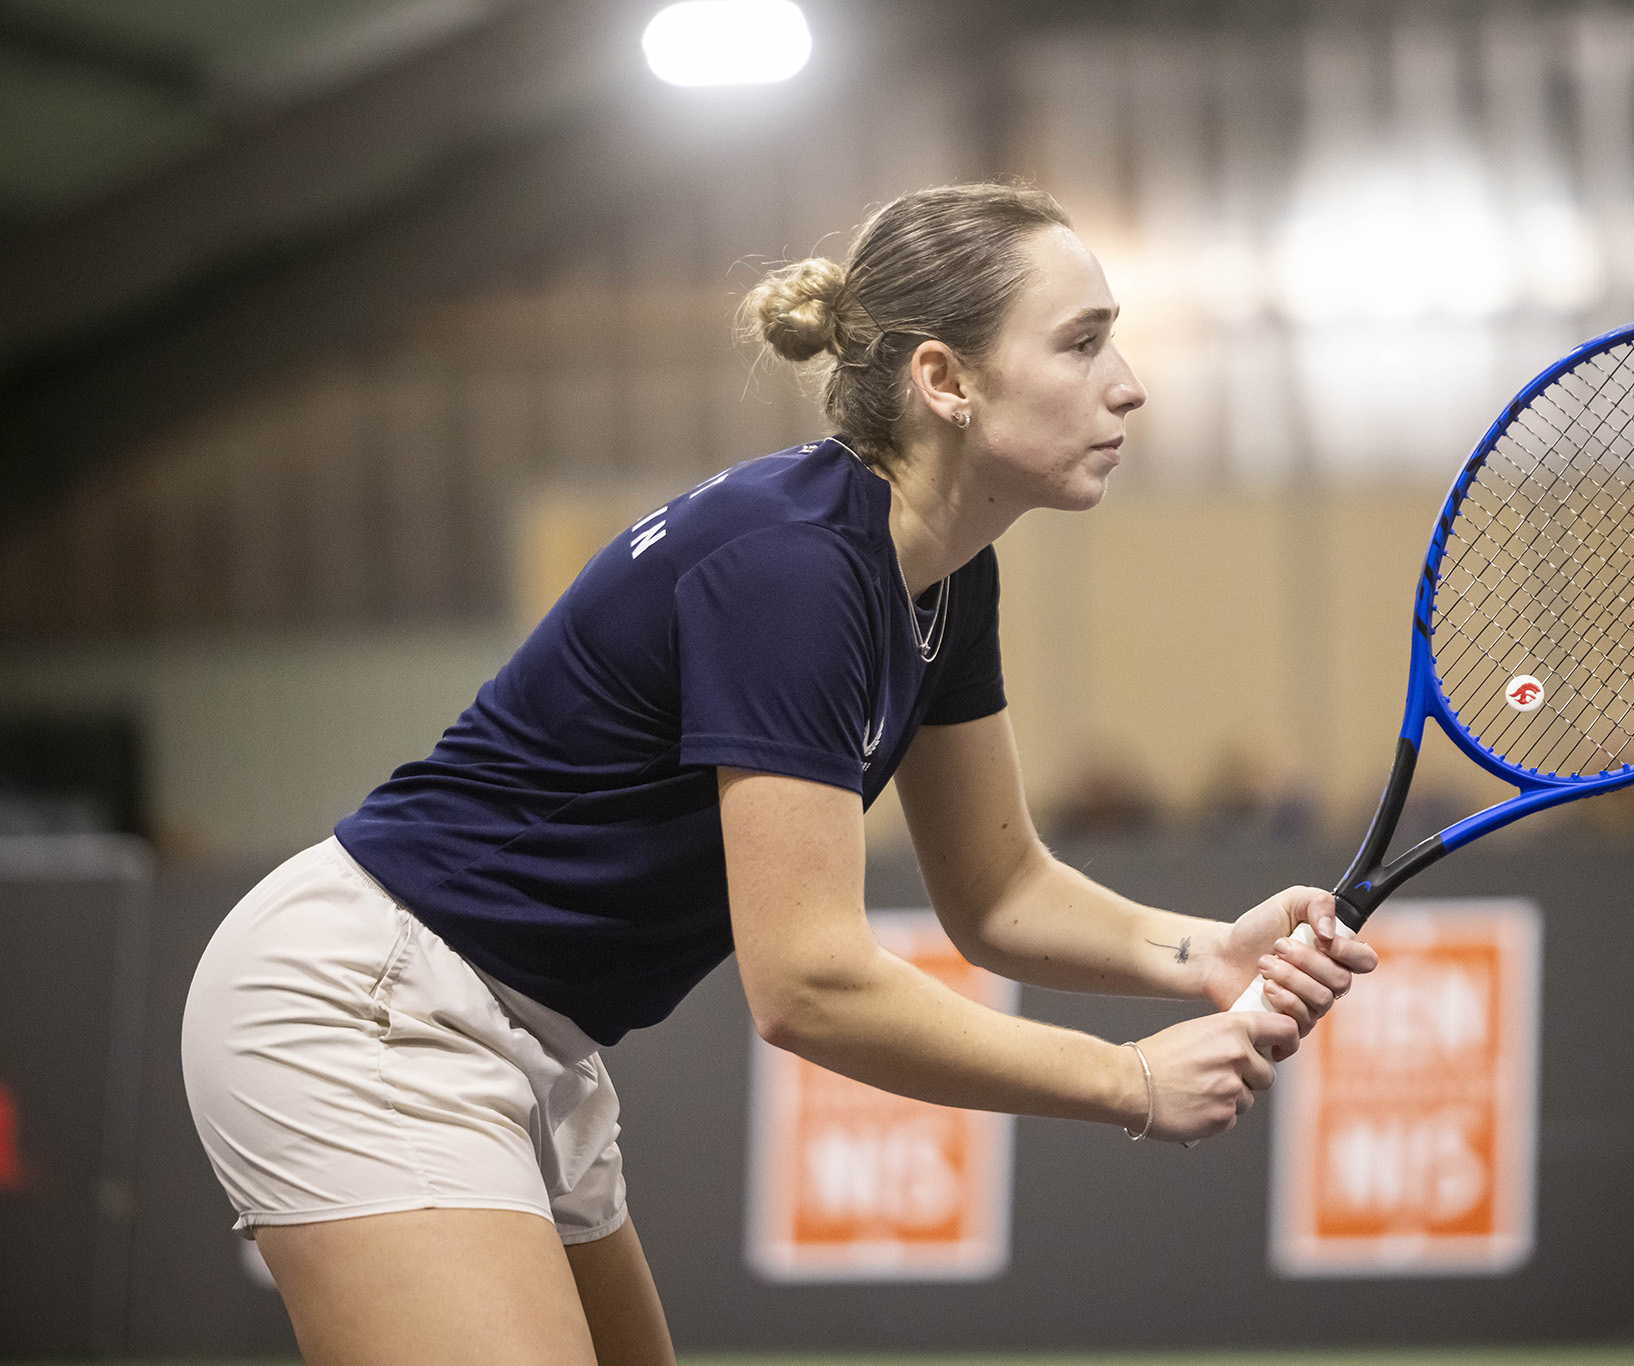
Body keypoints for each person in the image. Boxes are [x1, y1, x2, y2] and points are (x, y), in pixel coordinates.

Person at [181, 183, 1376, 1366]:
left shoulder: (948, 577)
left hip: (529, 1035)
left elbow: (999, 888)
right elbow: (805, 983)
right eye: (1080, 342)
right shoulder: (794, 571)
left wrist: (1202, 955)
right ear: (943, 381)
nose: (1127, 383)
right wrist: (1125, 1081)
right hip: (364, 1003)